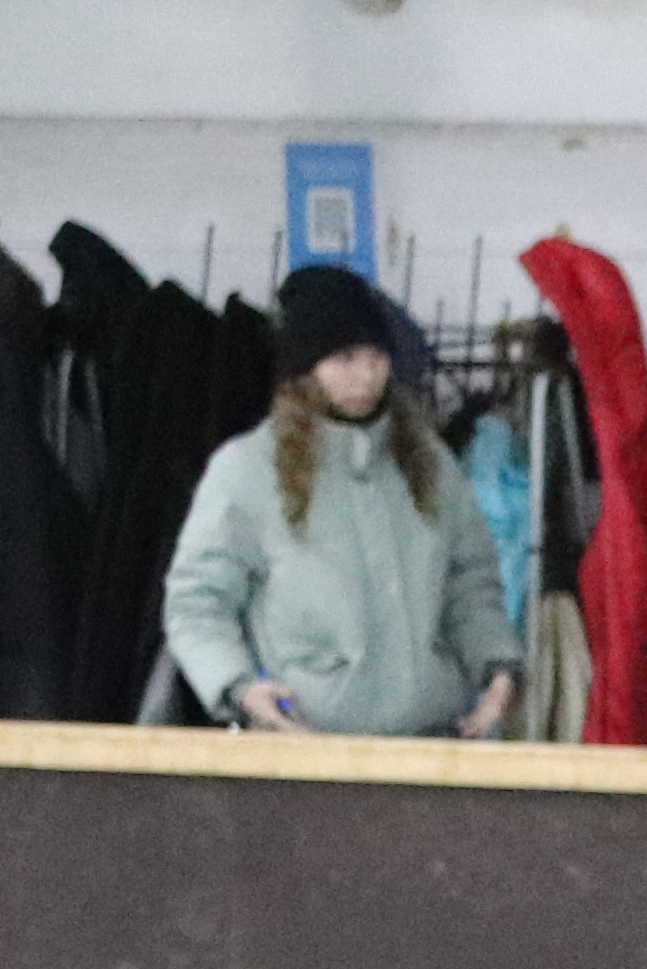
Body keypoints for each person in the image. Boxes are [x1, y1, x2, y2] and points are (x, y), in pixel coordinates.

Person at [158, 264, 519, 742]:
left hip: (434, 744)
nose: (367, 374)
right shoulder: (246, 470)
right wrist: (239, 687)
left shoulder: (429, 461)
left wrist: (497, 666)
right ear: (304, 368)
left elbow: (470, 584)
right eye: (345, 357)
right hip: (308, 754)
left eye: (377, 356)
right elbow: (195, 600)